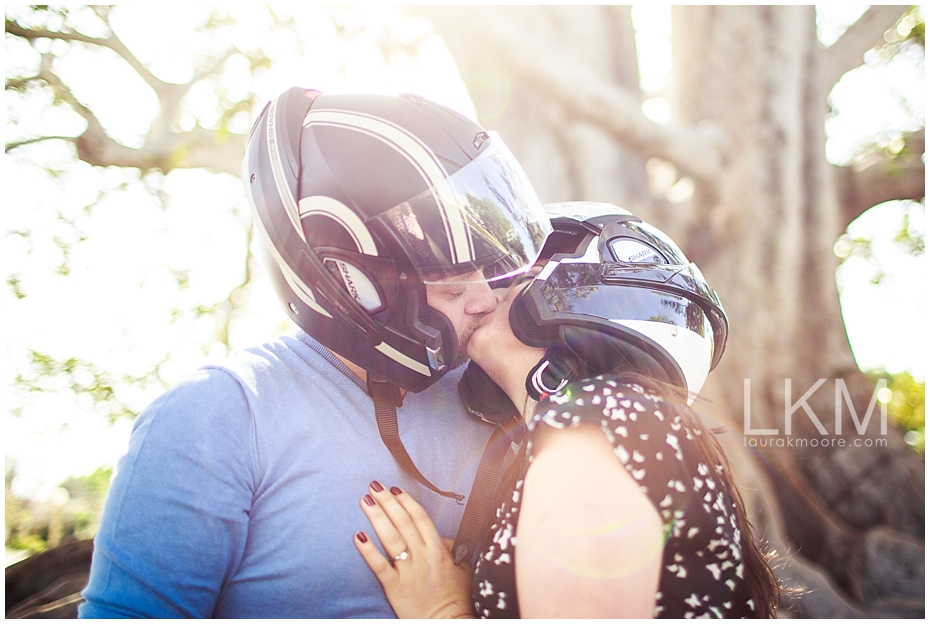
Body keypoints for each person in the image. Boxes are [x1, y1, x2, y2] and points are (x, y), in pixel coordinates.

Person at [78, 88, 551, 618]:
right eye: (451, 282)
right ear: (352, 283)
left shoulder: (501, 388)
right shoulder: (215, 418)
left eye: (486, 270)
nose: (486, 299)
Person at [353, 202, 780, 618]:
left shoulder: (593, 425)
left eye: (516, 279)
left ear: (583, 292)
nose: (488, 293)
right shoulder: (609, 429)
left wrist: (444, 612)